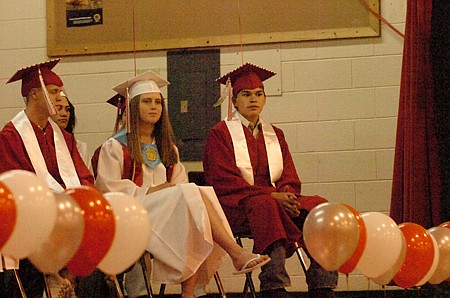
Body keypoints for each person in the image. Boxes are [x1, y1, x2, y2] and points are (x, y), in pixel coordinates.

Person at [93, 70, 270, 298]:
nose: (154, 107)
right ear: (133, 106)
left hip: (166, 214)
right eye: (147, 101)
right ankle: (233, 255)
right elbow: (108, 189)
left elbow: (180, 186)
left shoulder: (168, 148)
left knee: (195, 201)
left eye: (158, 102)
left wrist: (169, 192)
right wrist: (152, 190)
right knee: (192, 198)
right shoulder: (115, 147)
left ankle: (190, 290)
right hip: (132, 213)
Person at [203, 63, 338, 298]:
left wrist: (286, 194)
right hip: (238, 206)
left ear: (264, 99)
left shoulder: (275, 134)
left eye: (258, 94)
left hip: (274, 201)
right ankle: (273, 285)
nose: (253, 99)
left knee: (320, 207)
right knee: (266, 205)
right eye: (246, 95)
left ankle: (323, 284)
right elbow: (224, 182)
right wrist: (272, 196)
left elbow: (289, 176)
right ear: (234, 100)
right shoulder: (220, 134)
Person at [0, 59, 94, 297]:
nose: (60, 98)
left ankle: (69, 281)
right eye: (53, 92)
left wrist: (81, 200)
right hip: (31, 215)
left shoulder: (64, 138)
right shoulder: (10, 136)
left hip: (65, 212)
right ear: (34, 94)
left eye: (60, 92)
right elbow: (16, 182)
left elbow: (83, 178)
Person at [51, 90, 92, 171]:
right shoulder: (37, 146)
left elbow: (88, 180)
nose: (64, 114)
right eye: (58, 108)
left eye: (67, 109)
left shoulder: (80, 147)